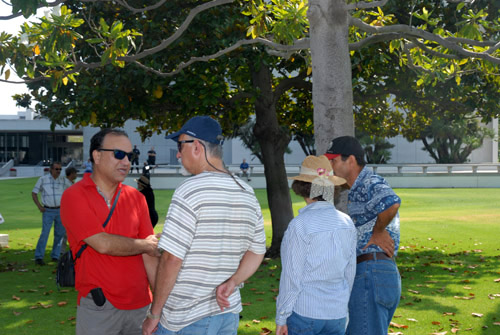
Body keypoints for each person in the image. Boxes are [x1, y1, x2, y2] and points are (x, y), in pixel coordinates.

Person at [142, 116, 266, 335]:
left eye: (180, 146)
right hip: (227, 314)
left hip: (185, 318)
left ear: (197, 147)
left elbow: (172, 259)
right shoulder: (246, 192)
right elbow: (256, 252)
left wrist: (154, 314)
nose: (178, 153)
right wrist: (234, 281)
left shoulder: (190, 191)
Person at [60, 128, 160, 335]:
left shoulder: (137, 198)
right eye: (119, 154)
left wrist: (158, 306)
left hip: (141, 306)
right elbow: (102, 243)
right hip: (99, 306)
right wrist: (146, 244)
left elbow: (150, 258)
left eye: (130, 156)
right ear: (96, 156)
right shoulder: (74, 196)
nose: (126, 162)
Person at [325, 136, 401, 335]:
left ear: (350, 160)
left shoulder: (369, 181)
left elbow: (392, 202)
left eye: (333, 160)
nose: (330, 165)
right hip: (376, 272)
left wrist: (378, 232)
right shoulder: (356, 187)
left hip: (371, 271)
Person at [275, 155, 356, 335]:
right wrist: (345, 309)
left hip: (305, 312)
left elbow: (291, 277)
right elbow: (349, 273)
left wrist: (281, 317)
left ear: (303, 188)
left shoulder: (300, 225)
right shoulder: (347, 223)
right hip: (337, 314)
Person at [31, 161, 72, 265]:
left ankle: (55, 255)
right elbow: (34, 193)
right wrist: (39, 206)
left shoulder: (63, 180)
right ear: (51, 169)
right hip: (48, 210)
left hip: (60, 210)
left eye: (60, 169)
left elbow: (73, 189)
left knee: (59, 234)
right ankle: (39, 257)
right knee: (45, 233)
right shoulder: (43, 179)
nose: (58, 171)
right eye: (56, 169)